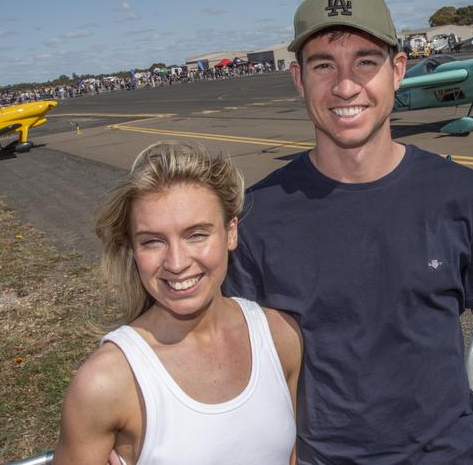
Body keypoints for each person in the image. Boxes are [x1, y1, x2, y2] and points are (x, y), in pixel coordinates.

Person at [223, 0, 473, 464]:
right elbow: (234, 363)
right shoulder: (257, 218)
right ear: (299, 79)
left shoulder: (463, 194)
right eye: (324, 65)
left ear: (397, 70)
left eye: (366, 61)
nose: (345, 86)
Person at [53, 141, 302, 465]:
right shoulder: (106, 383)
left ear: (230, 232)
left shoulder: (281, 337)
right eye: (152, 241)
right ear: (132, 249)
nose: (176, 262)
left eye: (196, 234)